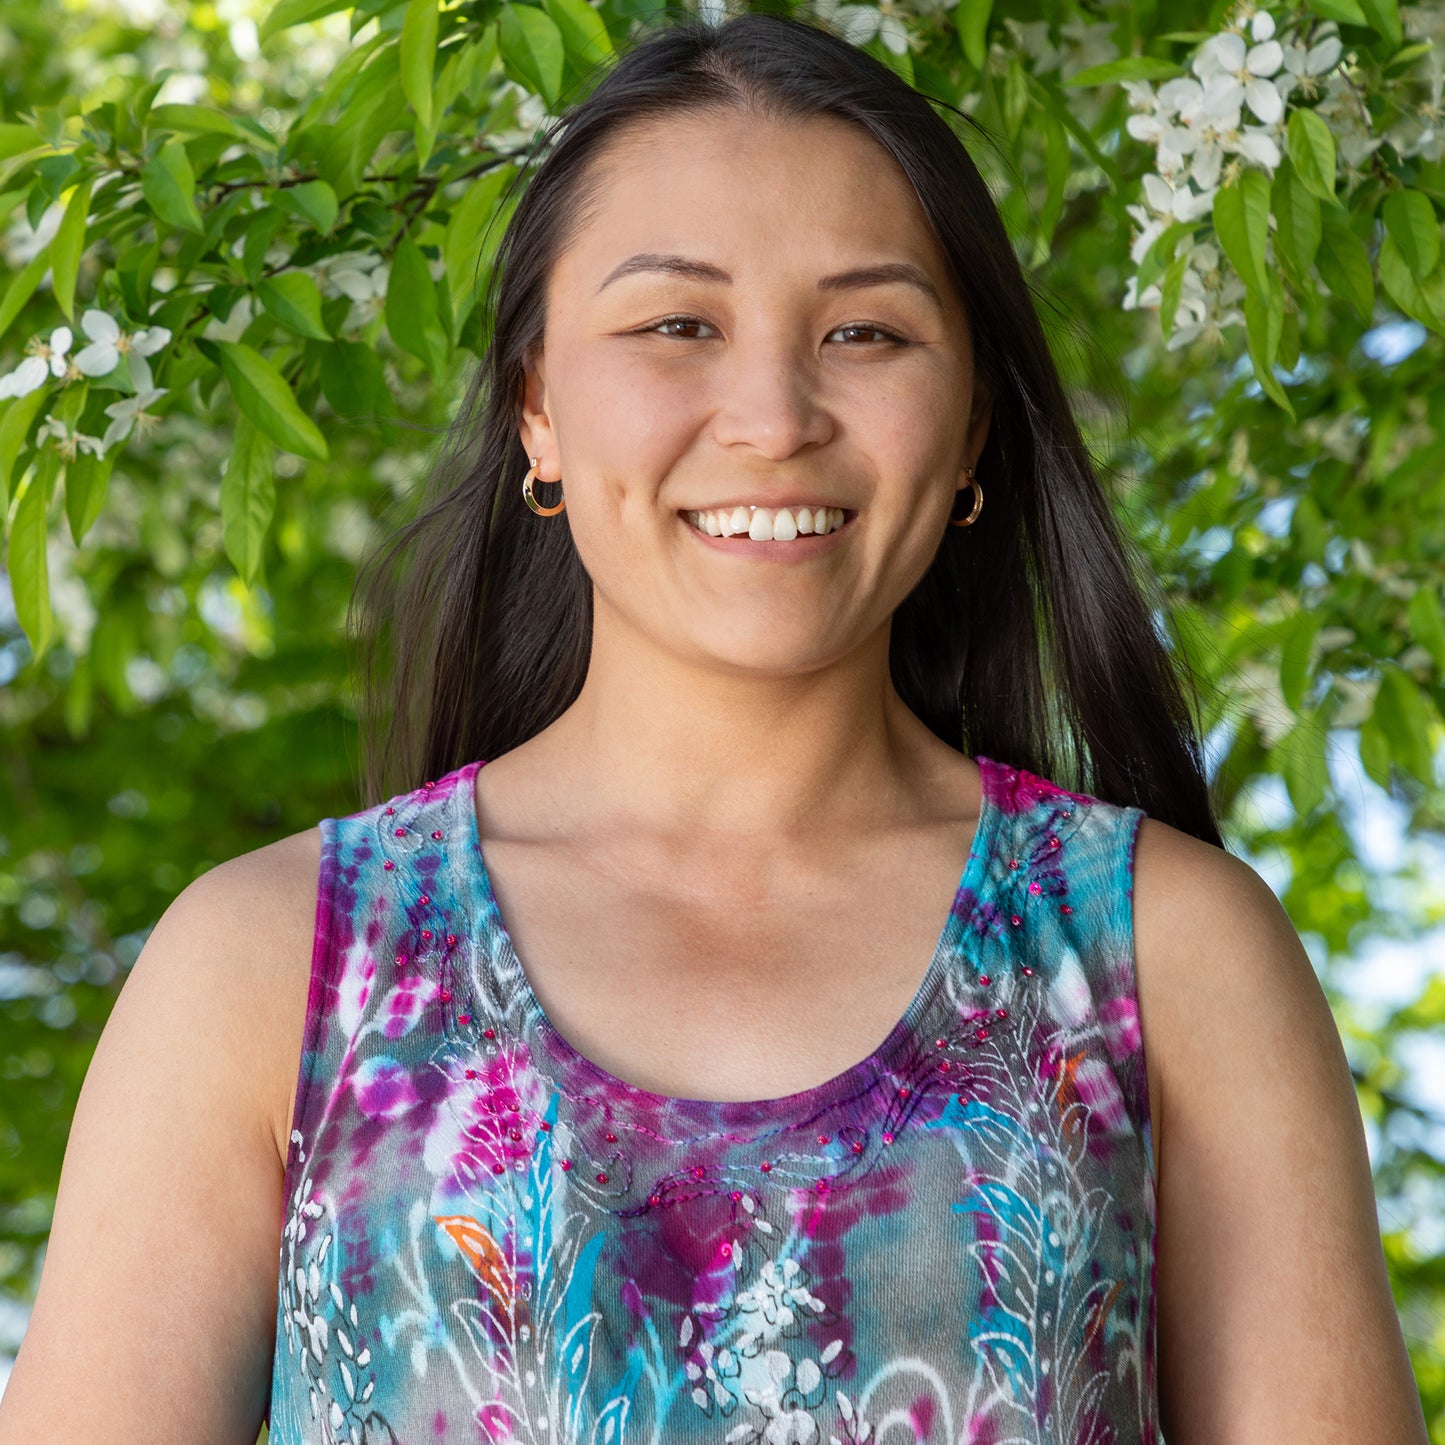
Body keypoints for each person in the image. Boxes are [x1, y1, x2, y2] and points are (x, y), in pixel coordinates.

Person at [0, 11, 1426, 1445]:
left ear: (975, 420)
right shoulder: (272, 966)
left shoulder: (1169, 958)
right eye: (677, 324)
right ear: (536, 410)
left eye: (865, 332)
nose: (770, 414)